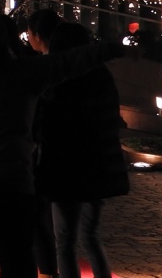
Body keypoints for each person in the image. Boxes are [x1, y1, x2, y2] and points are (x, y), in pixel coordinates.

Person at [0, 8, 123, 278]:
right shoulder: (21, 72)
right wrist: (113, 48)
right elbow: (68, 61)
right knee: (16, 255)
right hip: (11, 177)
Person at [35, 22, 129, 278]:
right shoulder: (101, 75)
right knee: (90, 235)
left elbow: (47, 121)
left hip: (64, 164)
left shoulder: (57, 78)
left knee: (64, 240)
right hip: (99, 163)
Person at [27, 8, 63, 278]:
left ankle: (48, 270)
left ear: (37, 35)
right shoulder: (73, 66)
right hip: (71, 152)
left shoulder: (40, 70)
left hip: (45, 153)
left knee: (43, 219)